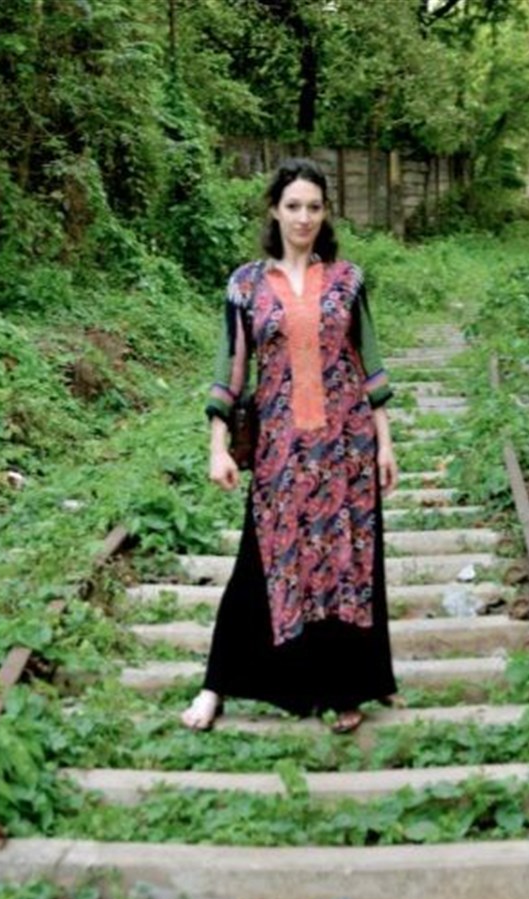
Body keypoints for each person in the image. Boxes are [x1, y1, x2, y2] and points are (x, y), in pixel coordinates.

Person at [180, 157, 398, 734]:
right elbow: (230, 372)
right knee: (260, 562)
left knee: (347, 564)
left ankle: (347, 689)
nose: (303, 217)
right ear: (275, 211)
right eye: (293, 206)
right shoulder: (246, 285)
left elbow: (369, 364)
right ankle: (214, 685)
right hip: (279, 450)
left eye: (314, 207)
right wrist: (218, 446)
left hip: (346, 449)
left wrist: (385, 443)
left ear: (325, 214)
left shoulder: (347, 281)